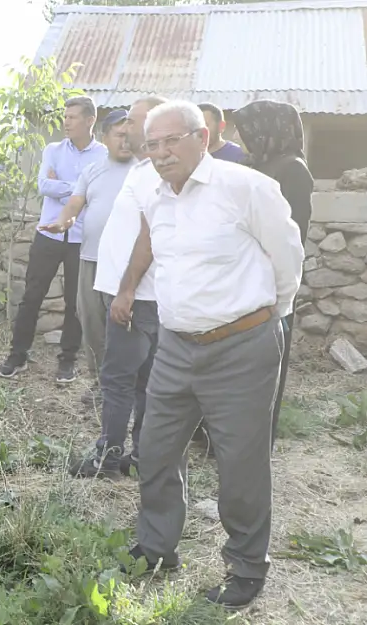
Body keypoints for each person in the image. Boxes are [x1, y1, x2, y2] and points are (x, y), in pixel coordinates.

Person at [116, 100, 304, 611]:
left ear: (203, 137)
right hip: (176, 347)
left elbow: (287, 259)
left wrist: (269, 316)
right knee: (154, 450)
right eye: (152, 144)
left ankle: (246, 567)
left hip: (241, 346)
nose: (160, 153)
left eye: (171, 140)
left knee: (240, 463)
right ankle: (156, 548)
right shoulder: (156, 198)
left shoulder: (248, 188)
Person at [62, 96, 167, 478]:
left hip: (137, 296)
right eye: (124, 123)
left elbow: (150, 236)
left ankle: (109, 459)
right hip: (129, 291)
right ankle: (138, 455)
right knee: (139, 380)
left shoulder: (155, 174)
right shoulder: (141, 170)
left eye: (135, 121)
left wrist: (126, 292)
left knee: (119, 379)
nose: (127, 127)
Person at [0, 96, 107, 383]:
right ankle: (17, 356)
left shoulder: (103, 156)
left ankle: (67, 361)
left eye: (72, 117)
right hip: (48, 233)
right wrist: (80, 189)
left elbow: (99, 192)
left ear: (89, 120)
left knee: (76, 303)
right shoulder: (53, 149)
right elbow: (43, 186)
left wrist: (68, 188)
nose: (66, 122)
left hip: (82, 239)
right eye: (65, 116)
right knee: (32, 296)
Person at [233, 100, 314, 443]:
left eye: (246, 128)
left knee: (266, 365)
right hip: (241, 278)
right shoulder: (258, 164)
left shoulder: (292, 170)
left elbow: (292, 236)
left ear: (267, 130)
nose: (239, 136)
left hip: (269, 284)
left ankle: (258, 437)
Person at [39, 108, 135, 394]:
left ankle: (128, 387)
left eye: (130, 135)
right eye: (120, 135)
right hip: (91, 259)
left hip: (129, 264)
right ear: (105, 138)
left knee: (127, 328)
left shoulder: (144, 170)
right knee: (92, 323)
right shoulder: (92, 171)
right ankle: (100, 383)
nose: (126, 141)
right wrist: (62, 221)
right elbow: (75, 203)